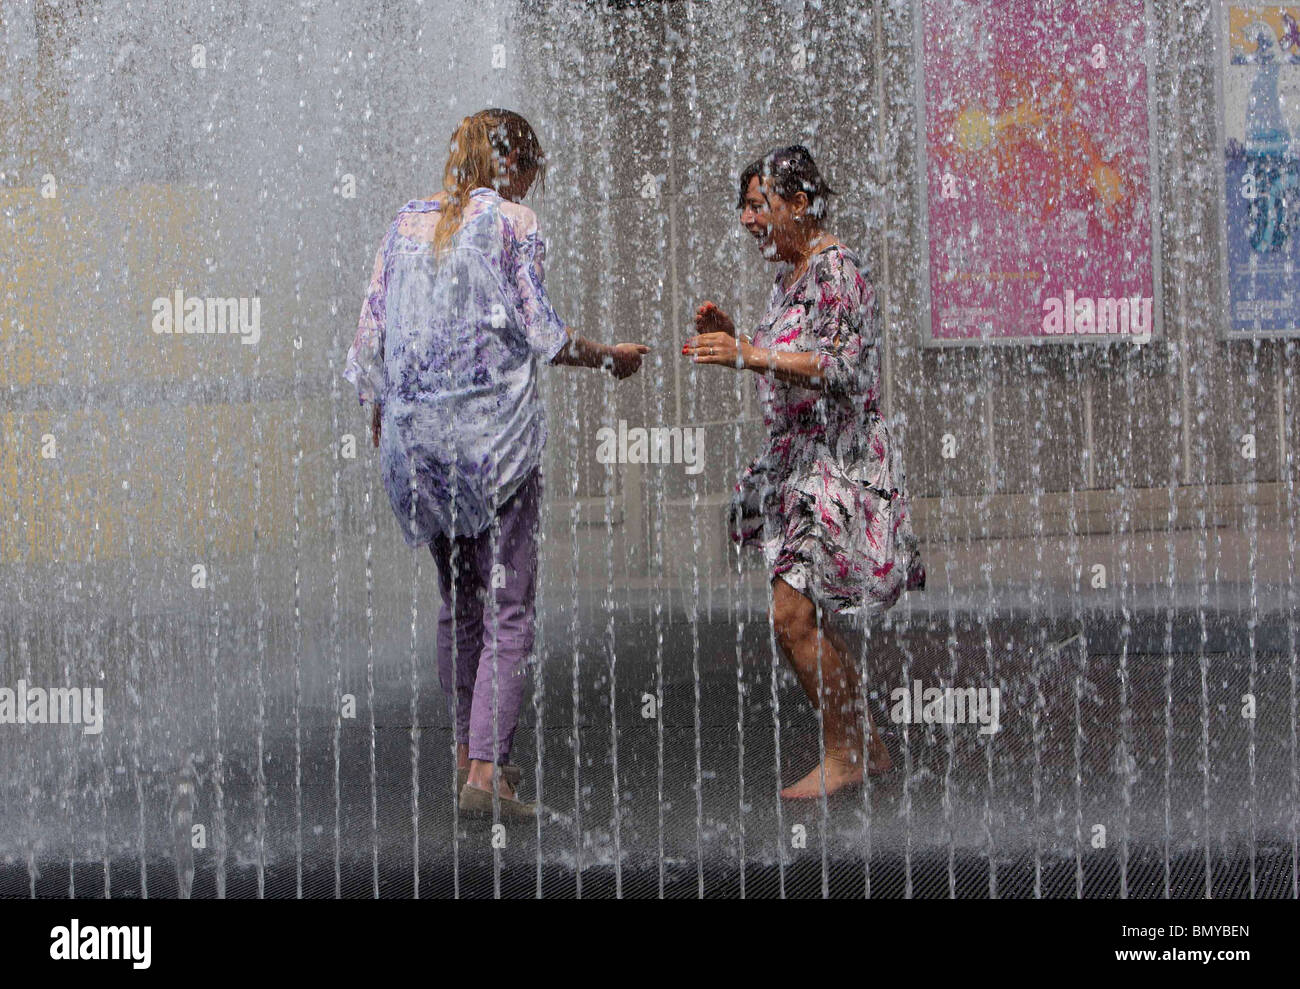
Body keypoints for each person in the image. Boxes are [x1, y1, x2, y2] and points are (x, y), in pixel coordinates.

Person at [345, 108, 648, 817]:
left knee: (459, 604)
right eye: (534, 169)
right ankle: (490, 775)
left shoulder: (403, 225)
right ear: (515, 166)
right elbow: (541, 330)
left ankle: (466, 758)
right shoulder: (513, 221)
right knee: (508, 605)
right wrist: (610, 358)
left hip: (418, 445)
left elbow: (368, 340)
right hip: (494, 446)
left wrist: (384, 418)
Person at [683, 145, 924, 799]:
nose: (746, 220)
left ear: (798, 203)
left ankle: (846, 751)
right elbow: (792, 356)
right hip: (801, 465)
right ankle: (863, 744)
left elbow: (845, 368)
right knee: (806, 615)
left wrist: (751, 353)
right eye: (743, 206)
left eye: (758, 204)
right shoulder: (792, 276)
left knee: (792, 617)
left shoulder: (834, 269)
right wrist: (737, 341)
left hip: (837, 465)